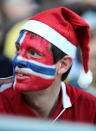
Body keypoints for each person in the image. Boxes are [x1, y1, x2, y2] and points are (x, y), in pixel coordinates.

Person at [0, 7, 96, 125]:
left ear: (63, 65)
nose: (18, 59)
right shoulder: (2, 102)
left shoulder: (90, 109)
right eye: (18, 49)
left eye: (33, 53)